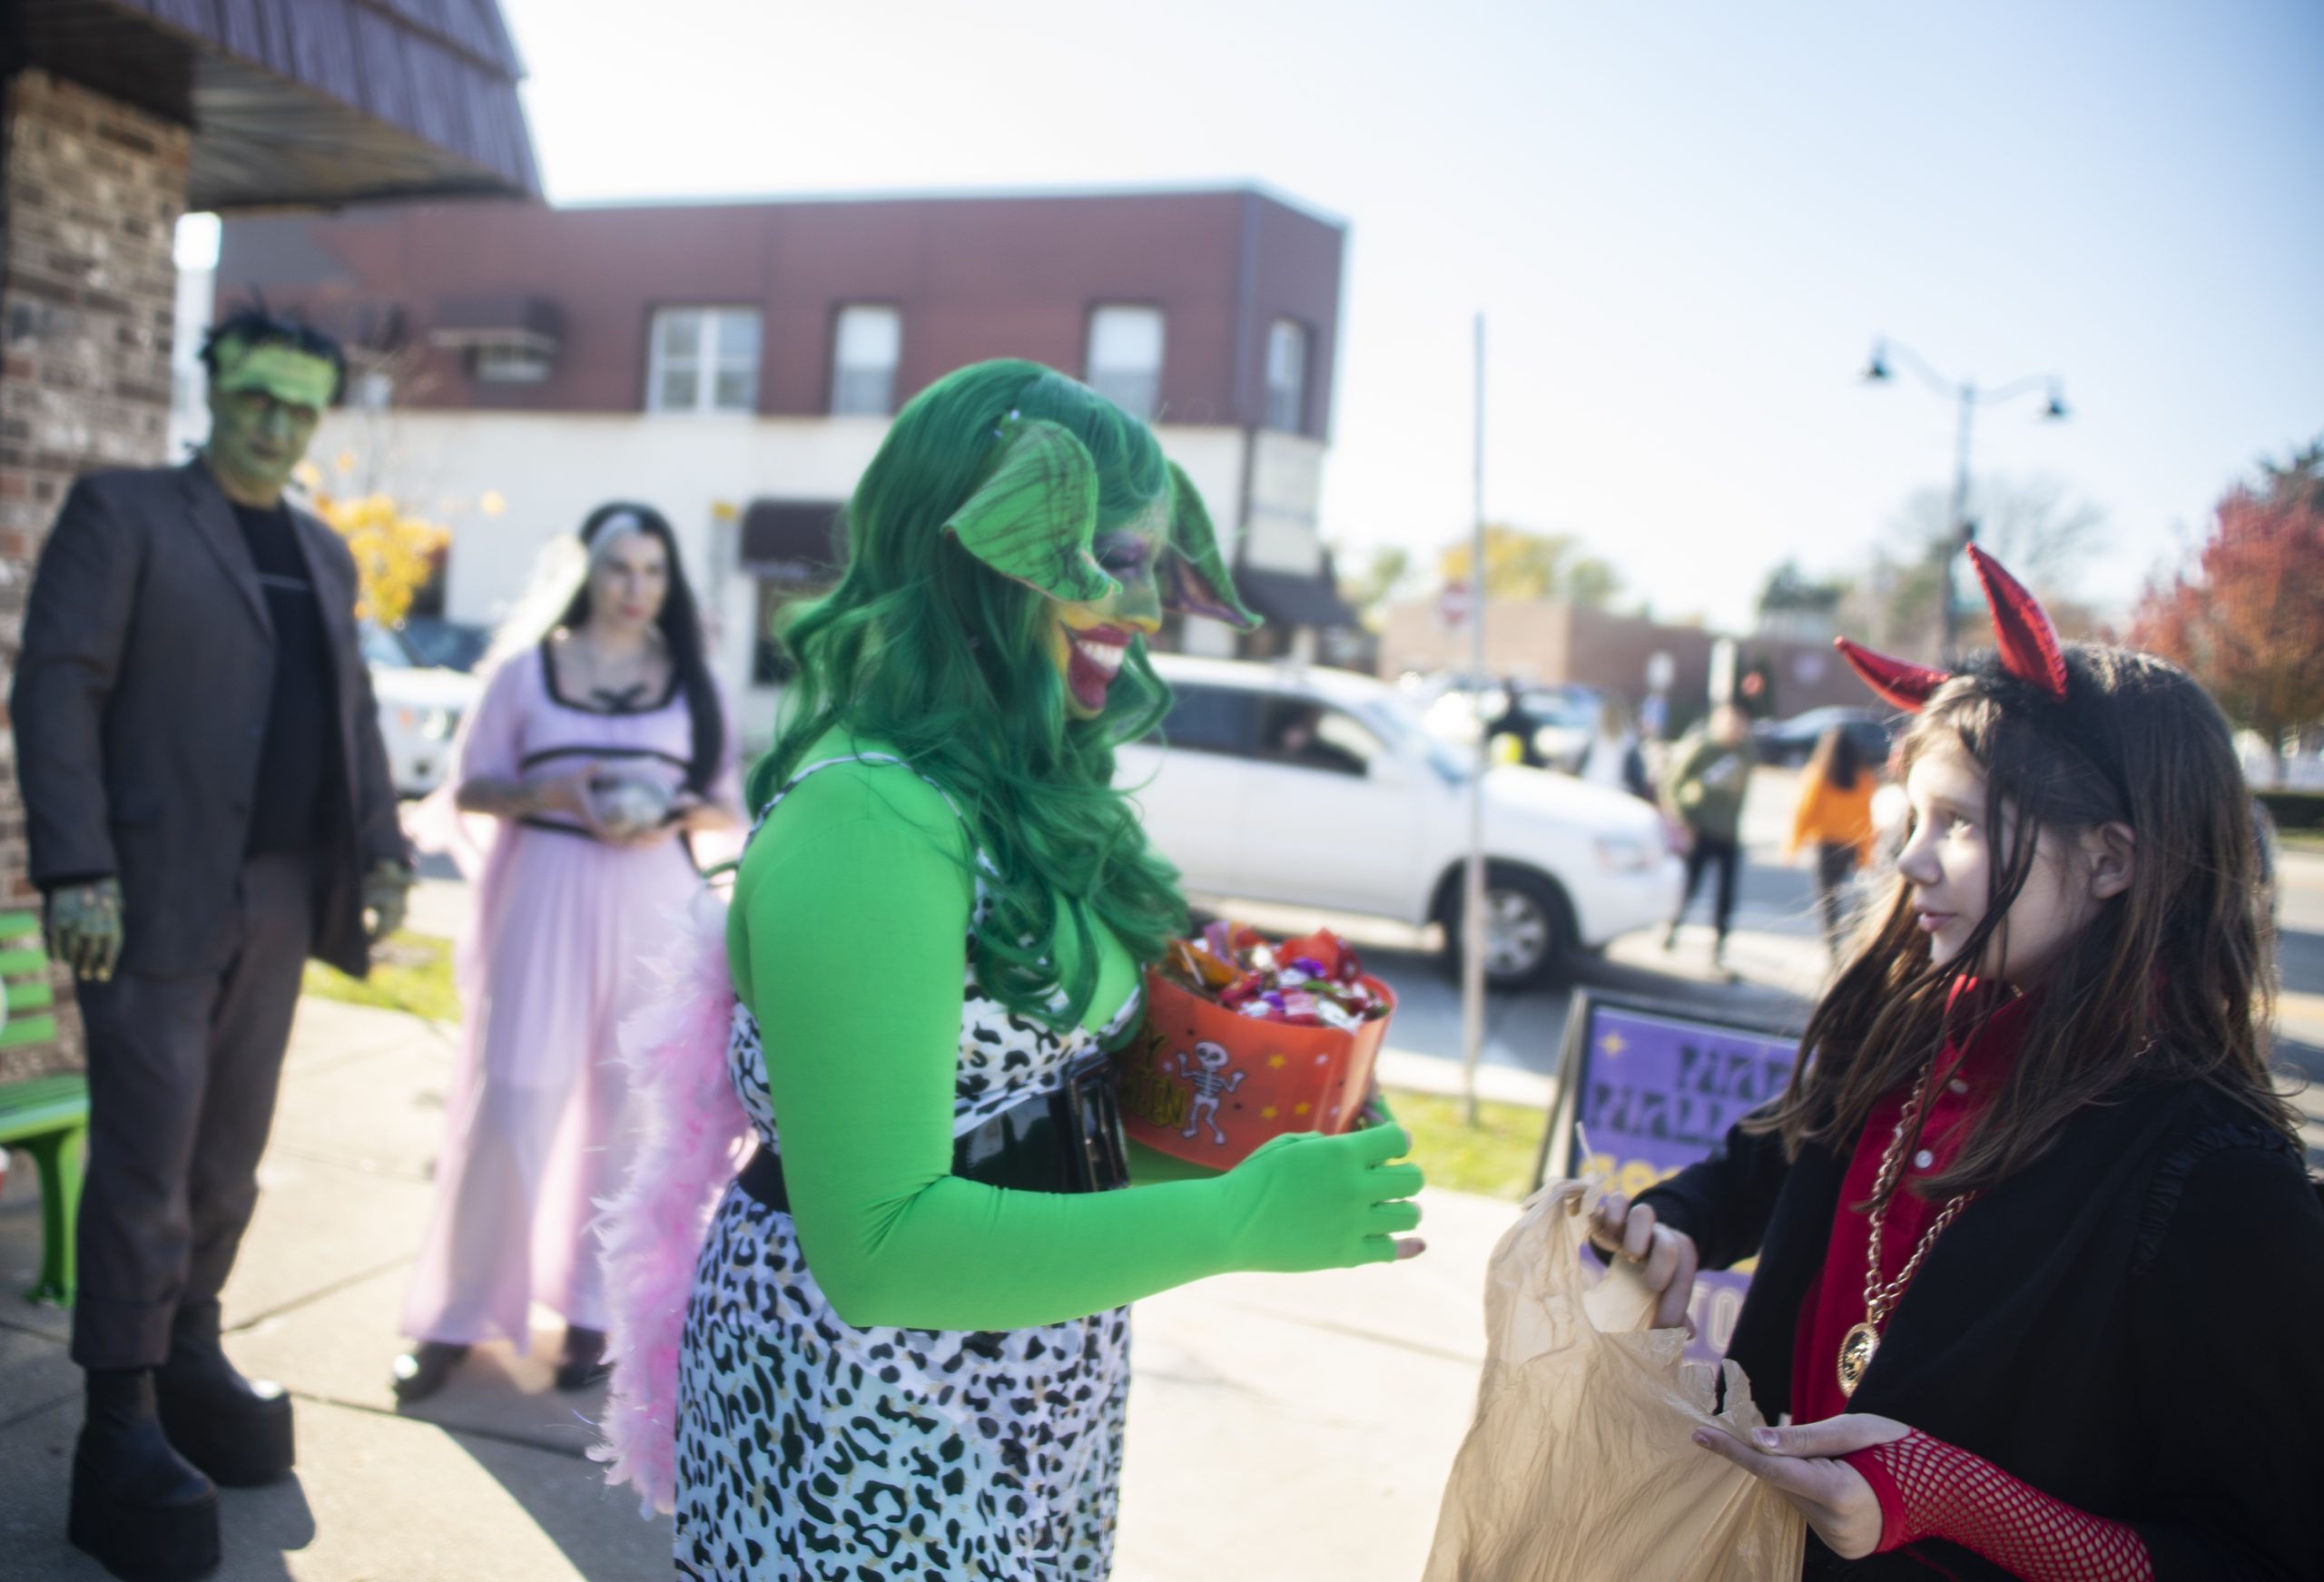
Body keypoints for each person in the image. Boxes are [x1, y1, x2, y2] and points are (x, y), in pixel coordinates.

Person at [594, 360, 1426, 1577]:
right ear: (974, 557)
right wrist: (1241, 1216)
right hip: (865, 1416)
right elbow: (880, 1247)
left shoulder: (1025, 798)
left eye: (1152, 566)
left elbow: (1041, 1125)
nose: (1141, 612)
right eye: (1108, 559)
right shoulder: (871, 817)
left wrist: (1260, 1118)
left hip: (1035, 1394)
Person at [1590, 547, 2324, 1578]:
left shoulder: (2217, 1174)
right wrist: (1676, 1221)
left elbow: (2254, 1552)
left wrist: (1954, 1500)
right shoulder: (1897, 1028)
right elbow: (1770, 1162)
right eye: (1917, 817)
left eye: (1963, 825)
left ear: (2112, 859)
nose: (1910, 859)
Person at [13, 307, 413, 1581]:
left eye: (300, 406)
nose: (276, 423)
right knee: (146, 1156)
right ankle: (117, 1417)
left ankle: (190, 1348)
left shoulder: (323, 547)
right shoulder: (122, 513)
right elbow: (55, 685)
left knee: (229, 1153)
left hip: (285, 892)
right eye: (255, 395)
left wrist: (386, 843)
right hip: (147, 892)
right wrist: (75, 865)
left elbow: (348, 712)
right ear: (213, 384)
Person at [390, 504, 739, 1401]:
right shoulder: (525, 673)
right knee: (511, 1100)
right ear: (587, 571)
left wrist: (665, 811)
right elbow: (469, 784)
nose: (636, 588)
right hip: (546, 888)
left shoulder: (690, 681)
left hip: (651, 897)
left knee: (627, 1113)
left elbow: (721, 805)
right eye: (620, 568)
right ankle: (457, 1314)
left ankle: (593, 1311)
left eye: (653, 571)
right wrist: (555, 789)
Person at [1660, 703, 1755, 967]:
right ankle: (1671, 926)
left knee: (1726, 893)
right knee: (1690, 884)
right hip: (1701, 828)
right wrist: (1682, 819)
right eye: (1731, 723)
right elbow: (1671, 782)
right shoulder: (1703, 748)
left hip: (1729, 832)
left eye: (1740, 724)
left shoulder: (1745, 753)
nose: (1736, 729)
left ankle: (1719, 944)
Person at [1785, 725, 1878, 958]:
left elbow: (1804, 811)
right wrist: (1866, 854)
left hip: (1825, 845)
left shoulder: (1818, 774)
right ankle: (1851, 942)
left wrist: (1794, 845)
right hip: (1851, 845)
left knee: (1828, 901)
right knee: (1853, 898)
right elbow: (1867, 818)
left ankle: (1832, 948)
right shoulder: (1863, 778)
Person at [1578, 694, 1652, 800]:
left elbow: (1582, 762)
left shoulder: (1596, 736)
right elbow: (1636, 774)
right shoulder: (1628, 739)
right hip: (1615, 790)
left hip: (1592, 783)